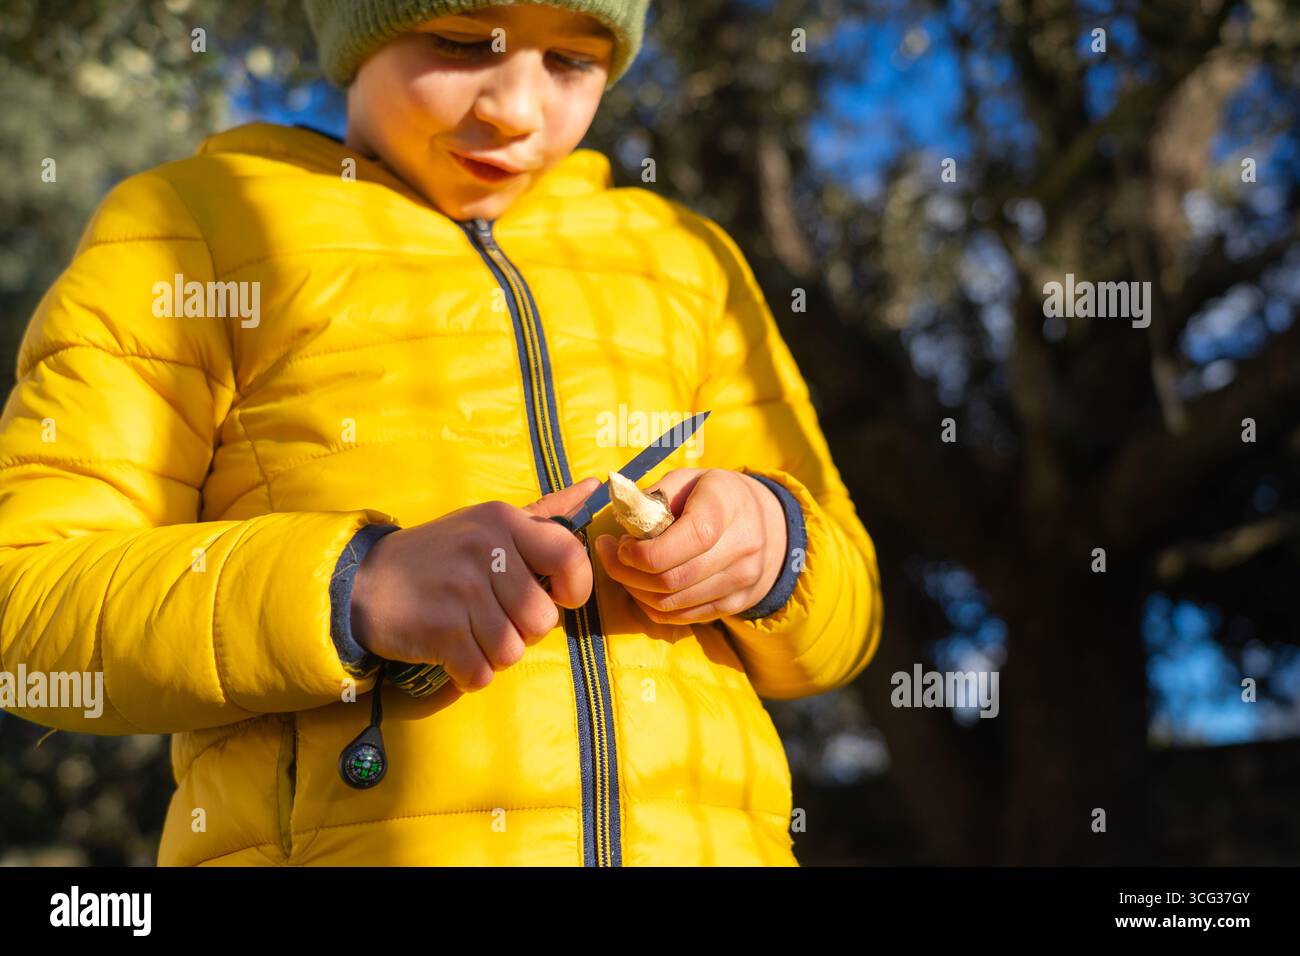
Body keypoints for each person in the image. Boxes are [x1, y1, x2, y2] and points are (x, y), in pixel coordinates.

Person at [0, 0, 883, 866]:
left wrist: (773, 546)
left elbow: (849, 617)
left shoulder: (689, 263)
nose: (517, 109)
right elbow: (28, 605)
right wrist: (355, 588)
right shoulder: (191, 230)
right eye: (463, 42)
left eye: (572, 61)